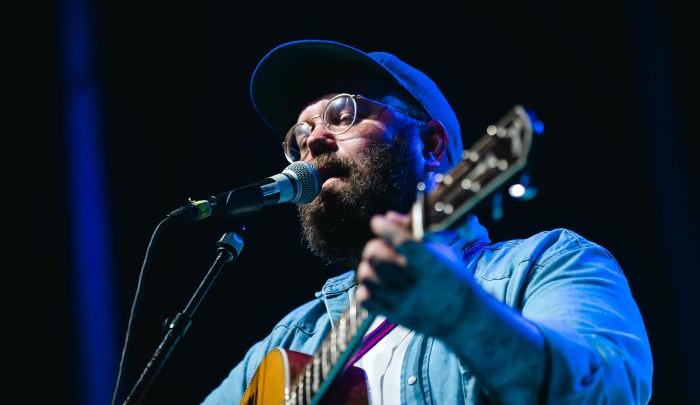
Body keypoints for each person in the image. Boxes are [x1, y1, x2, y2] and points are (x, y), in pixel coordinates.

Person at [202, 40, 652, 404]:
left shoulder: (545, 264)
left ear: (432, 147)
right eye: (299, 135)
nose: (313, 141)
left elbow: (606, 392)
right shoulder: (296, 336)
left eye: (344, 114)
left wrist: (464, 315)